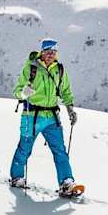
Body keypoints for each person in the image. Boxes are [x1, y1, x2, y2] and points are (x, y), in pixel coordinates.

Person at [9, 38, 80, 195]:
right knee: (25, 148)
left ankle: (67, 182)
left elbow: (66, 91)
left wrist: (70, 110)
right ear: (42, 52)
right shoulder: (31, 68)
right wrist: (25, 93)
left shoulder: (59, 69)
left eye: (53, 51)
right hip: (32, 116)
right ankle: (17, 178)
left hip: (52, 118)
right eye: (48, 51)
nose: (50, 54)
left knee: (60, 150)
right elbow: (17, 92)